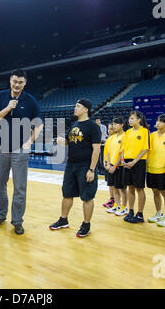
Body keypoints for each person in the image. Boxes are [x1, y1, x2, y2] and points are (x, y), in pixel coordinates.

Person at [0, 69, 43, 235]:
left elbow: (39, 124)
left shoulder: (31, 100)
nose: (17, 84)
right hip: (1, 147)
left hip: (20, 149)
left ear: (25, 83)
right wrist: (7, 108)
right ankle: (0, 216)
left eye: (20, 82)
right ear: (10, 81)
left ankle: (17, 221)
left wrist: (30, 141)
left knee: (20, 187)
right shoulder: (1, 96)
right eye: (14, 81)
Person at [49, 99, 101, 237]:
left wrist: (91, 169)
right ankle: (63, 219)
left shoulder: (92, 126)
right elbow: (69, 141)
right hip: (71, 165)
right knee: (67, 194)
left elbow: (96, 149)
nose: (75, 108)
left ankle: (86, 224)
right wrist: (62, 141)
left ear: (86, 109)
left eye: (78, 106)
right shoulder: (74, 125)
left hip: (85, 166)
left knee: (87, 197)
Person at [146, 114, 165, 227]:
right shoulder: (151, 135)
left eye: (161, 121)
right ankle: (158, 213)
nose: (158, 123)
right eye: (157, 120)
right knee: (155, 192)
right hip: (151, 168)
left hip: (163, 170)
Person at [122, 110, 150, 223]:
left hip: (138, 162)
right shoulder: (128, 132)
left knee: (139, 188)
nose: (130, 120)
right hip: (127, 162)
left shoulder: (144, 131)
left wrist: (134, 162)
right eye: (129, 118)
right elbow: (123, 147)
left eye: (132, 118)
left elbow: (145, 149)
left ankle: (140, 213)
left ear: (139, 119)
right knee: (130, 188)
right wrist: (123, 160)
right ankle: (131, 211)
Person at [106, 117, 128, 216]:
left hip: (119, 166)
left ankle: (124, 207)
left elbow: (122, 153)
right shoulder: (112, 137)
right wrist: (108, 163)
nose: (114, 126)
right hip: (111, 165)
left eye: (116, 124)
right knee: (114, 187)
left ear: (122, 125)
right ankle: (117, 205)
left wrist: (115, 165)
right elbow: (109, 152)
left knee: (122, 188)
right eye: (113, 124)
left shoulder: (125, 136)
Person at [102, 122, 115, 208]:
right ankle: (111, 199)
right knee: (110, 184)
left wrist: (110, 164)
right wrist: (104, 162)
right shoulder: (108, 139)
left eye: (111, 129)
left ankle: (116, 202)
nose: (109, 131)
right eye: (109, 129)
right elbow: (106, 153)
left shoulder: (116, 139)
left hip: (113, 164)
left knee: (115, 185)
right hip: (107, 164)